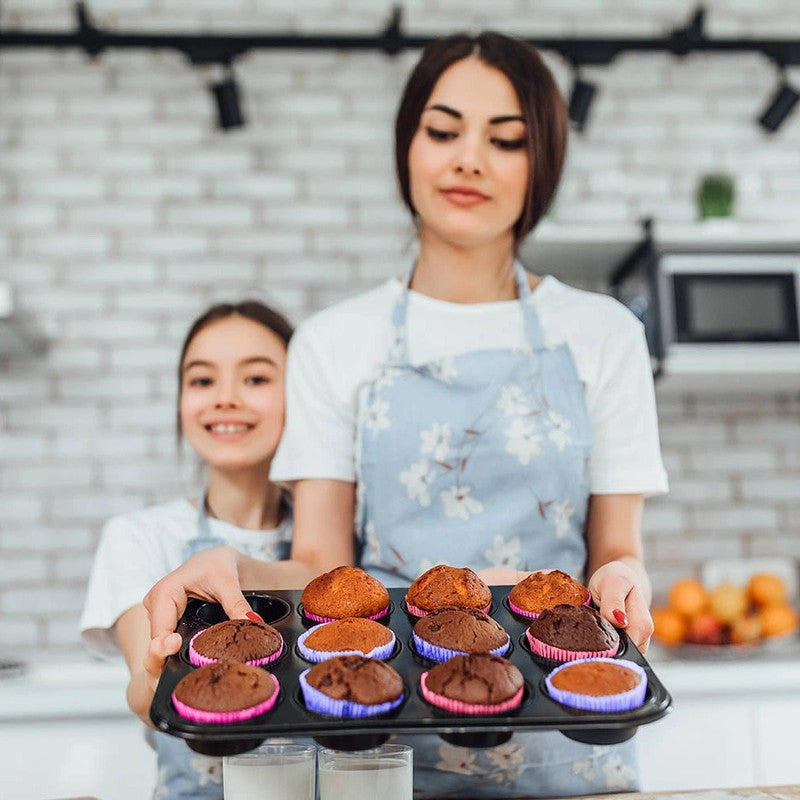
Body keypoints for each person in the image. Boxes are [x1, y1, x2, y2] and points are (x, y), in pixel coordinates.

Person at [144, 31, 668, 797]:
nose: (469, 160)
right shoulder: (333, 341)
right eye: (443, 131)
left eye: (506, 139)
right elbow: (319, 565)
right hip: (379, 741)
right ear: (407, 148)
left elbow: (617, 549)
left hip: (569, 738)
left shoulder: (604, 335)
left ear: (543, 163)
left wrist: (622, 576)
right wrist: (238, 572)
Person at [80, 300, 295, 800]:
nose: (225, 398)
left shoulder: (335, 549)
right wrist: (153, 682)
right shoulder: (139, 537)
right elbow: (143, 688)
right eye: (202, 380)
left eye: (256, 378)